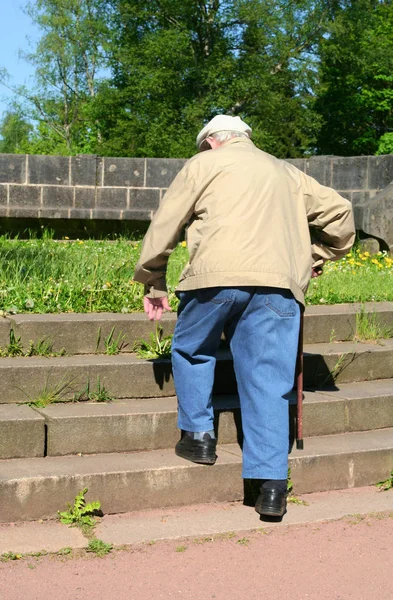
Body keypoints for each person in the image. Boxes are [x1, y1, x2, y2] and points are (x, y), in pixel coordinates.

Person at [134, 115, 355, 518]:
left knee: (191, 349)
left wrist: (154, 280)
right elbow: (341, 216)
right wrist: (312, 257)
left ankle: (199, 436)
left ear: (213, 142)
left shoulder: (203, 164)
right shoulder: (288, 172)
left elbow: (166, 222)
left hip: (213, 279)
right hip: (278, 288)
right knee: (269, 381)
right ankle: (271, 488)